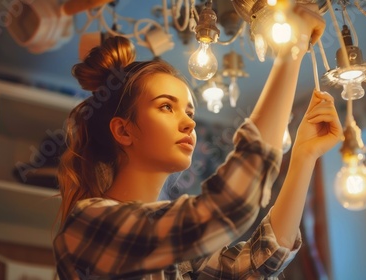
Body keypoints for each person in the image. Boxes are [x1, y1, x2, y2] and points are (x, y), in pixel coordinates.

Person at [53, 4, 341, 279]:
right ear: (123, 131)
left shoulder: (176, 255)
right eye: (166, 106)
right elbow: (227, 206)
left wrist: (304, 157)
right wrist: (291, 51)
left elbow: (259, 260)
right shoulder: (88, 224)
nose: (190, 122)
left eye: (189, 111)